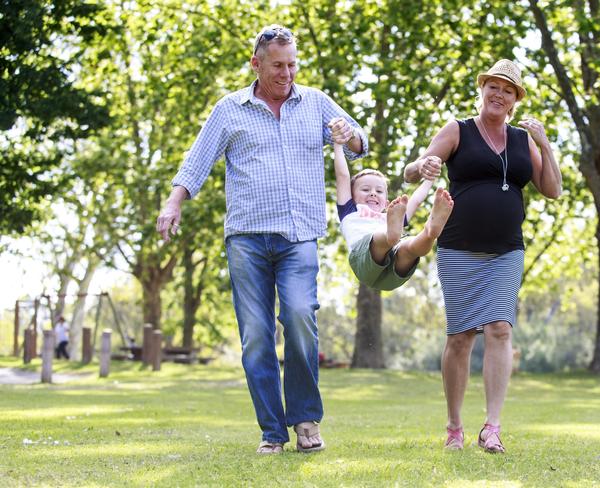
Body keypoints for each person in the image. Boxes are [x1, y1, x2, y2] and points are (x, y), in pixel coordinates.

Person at [156, 25, 368, 454]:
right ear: (256, 64)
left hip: (299, 235)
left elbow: (360, 141)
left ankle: (306, 420)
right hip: (247, 240)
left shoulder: (316, 103)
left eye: (292, 64)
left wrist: (350, 136)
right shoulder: (230, 109)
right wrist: (173, 202)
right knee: (255, 335)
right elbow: (197, 161)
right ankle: (272, 432)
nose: (287, 73)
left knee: (299, 320)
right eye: (277, 65)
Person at [404, 59, 562, 453]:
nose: (499, 93)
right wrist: (421, 165)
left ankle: (492, 427)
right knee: (460, 337)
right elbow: (415, 170)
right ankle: (455, 426)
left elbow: (553, 189)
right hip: (458, 248)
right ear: (483, 90)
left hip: (507, 250)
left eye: (507, 90)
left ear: (515, 101)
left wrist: (544, 143)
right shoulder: (458, 130)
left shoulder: (523, 141)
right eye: (493, 86)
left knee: (500, 329)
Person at [332, 131, 454, 290]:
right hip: (364, 263)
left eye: (379, 191)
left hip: (393, 273)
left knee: (410, 248)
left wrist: (430, 178)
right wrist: (337, 144)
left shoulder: (391, 215)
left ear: (386, 202)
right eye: (365, 189)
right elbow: (342, 175)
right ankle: (392, 236)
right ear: (351, 197)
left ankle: (430, 232)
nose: (373, 193)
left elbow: (416, 200)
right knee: (384, 237)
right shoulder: (349, 210)